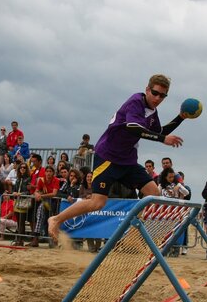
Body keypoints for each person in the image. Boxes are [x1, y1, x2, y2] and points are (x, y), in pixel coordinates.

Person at [49, 74, 187, 239]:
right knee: (97, 203)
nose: (158, 98)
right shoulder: (136, 102)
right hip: (108, 157)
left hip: (127, 160)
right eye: (155, 93)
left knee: (154, 194)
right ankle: (56, 219)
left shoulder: (152, 112)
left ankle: (134, 234)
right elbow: (133, 127)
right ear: (147, 89)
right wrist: (163, 139)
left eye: (162, 95)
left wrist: (180, 118)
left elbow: (158, 132)